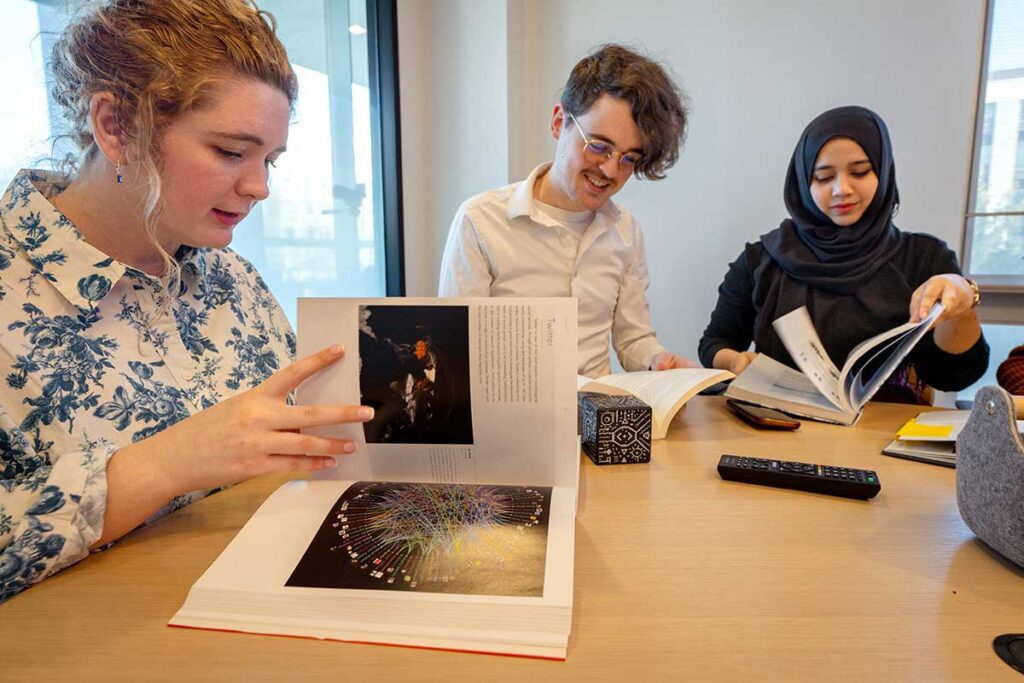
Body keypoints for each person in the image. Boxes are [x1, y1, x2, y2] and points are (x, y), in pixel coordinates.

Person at [0, 0, 371, 601]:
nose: (259, 188)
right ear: (117, 126)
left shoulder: (233, 281)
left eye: (269, 160)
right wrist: (161, 465)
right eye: (230, 152)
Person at [699, 105, 988, 403]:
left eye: (860, 172)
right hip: (779, 428)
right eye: (823, 178)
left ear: (883, 170)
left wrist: (963, 304)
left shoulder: (924, 258)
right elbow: (714, 343)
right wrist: (733, 362)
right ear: (802, 182)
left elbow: (955, 375)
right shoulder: (760, 261)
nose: (841, 189)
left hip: (881, 437)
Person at [438, 44, 695, 378]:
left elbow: (633, 338)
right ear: (559, 122)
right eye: (599, 147)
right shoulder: (481, 221)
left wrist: (657, 361)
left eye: (629, 157)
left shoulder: (626, 232)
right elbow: (456, 348)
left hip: (595, 419)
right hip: (510, 420)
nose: (611, 171)